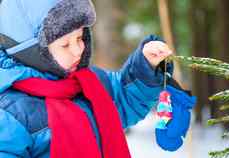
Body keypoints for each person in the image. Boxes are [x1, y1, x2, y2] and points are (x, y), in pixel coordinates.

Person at [0, 0, 196, 157]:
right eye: (65, 45)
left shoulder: (90, 83)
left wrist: (145, 66)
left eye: (79, 38)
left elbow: (124, 99)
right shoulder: (10, 113)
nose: (78, 50)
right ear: (31, 51)